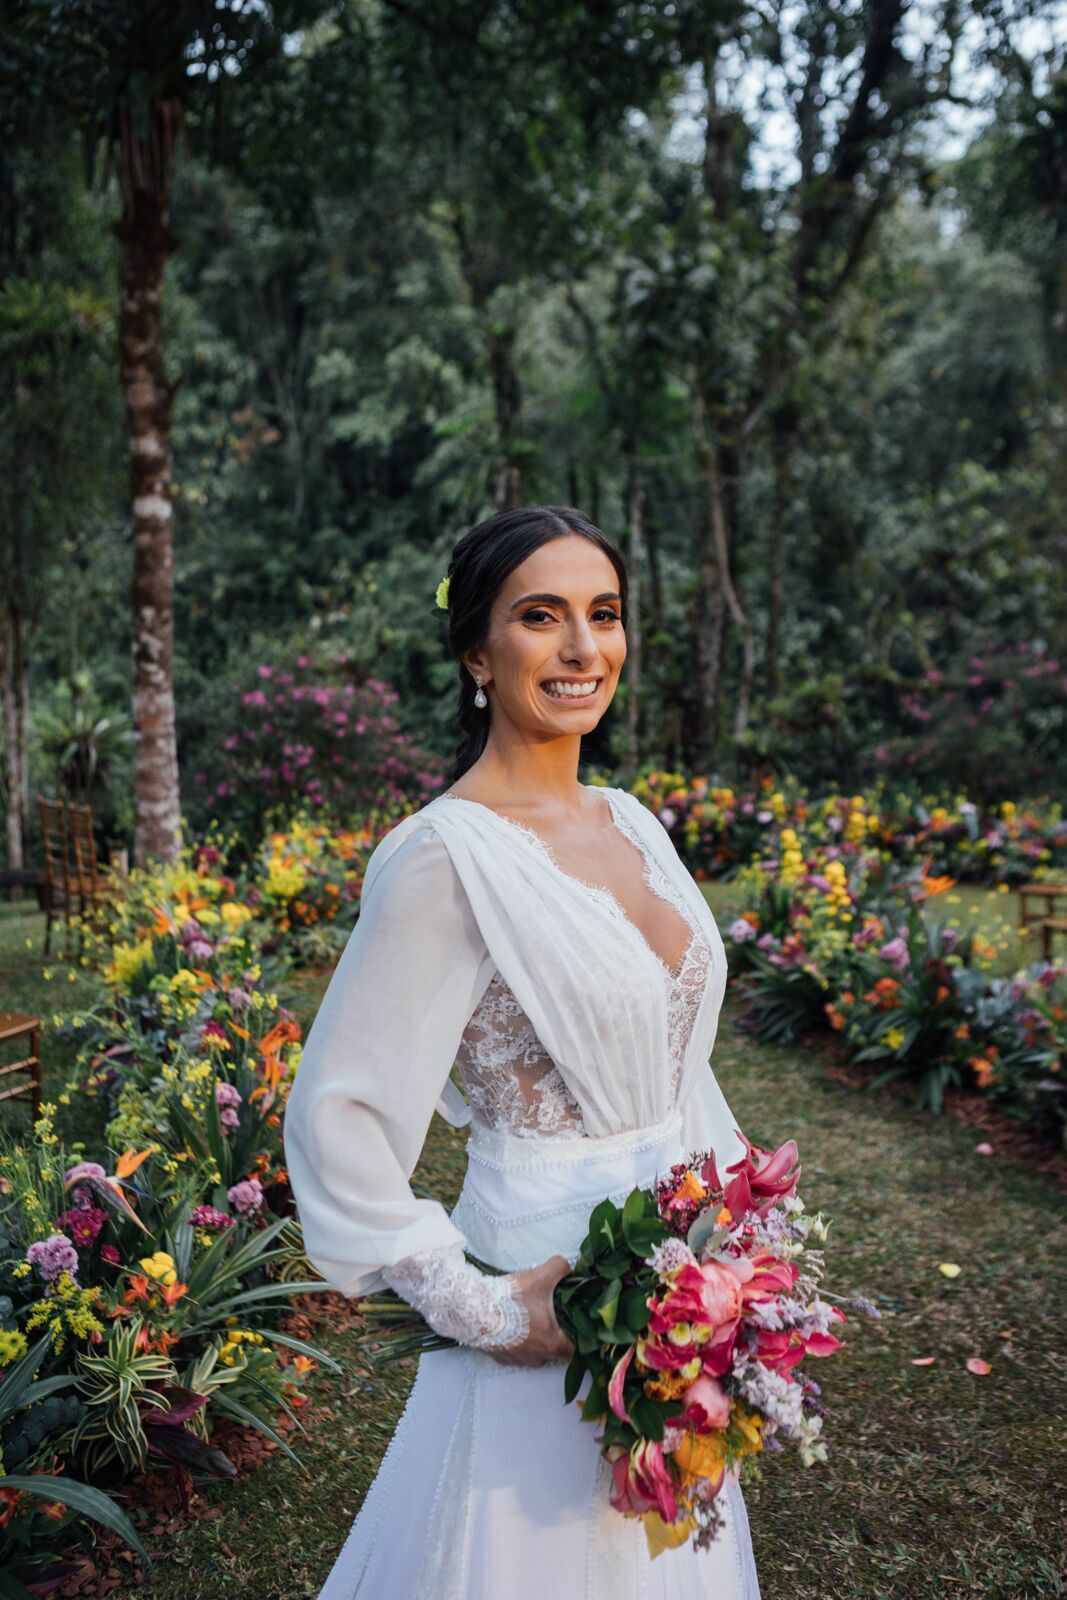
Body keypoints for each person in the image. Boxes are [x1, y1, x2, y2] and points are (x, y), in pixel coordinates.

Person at [283, 505, 762, 1598]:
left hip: (678, 1297)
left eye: (603, 615)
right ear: (475, 653)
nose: (582, 648)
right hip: (548, 1294)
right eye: (540, 617)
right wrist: (485, 1307)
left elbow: (672, 1057)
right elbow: (334, 1116)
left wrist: (733, 1242)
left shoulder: (635, 820)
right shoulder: (442, 859)